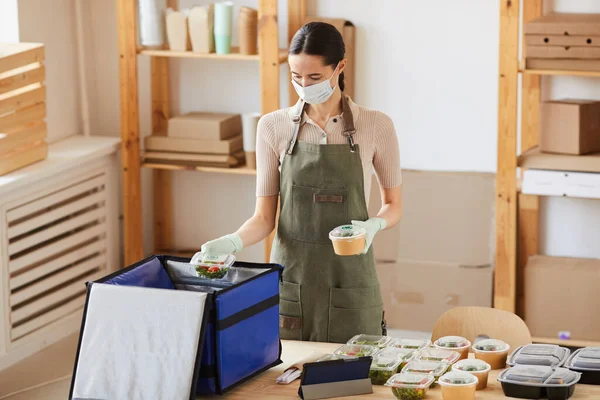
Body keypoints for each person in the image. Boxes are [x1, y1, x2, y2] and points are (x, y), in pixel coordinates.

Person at [194, 22, 402, 343]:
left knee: (354, 380)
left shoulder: (375, 126)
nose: (304, 84)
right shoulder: (273, 127)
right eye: (295, 76)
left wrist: (374, 224)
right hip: (292, 279)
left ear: (340, 67)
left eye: (315, 77)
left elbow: (394, 206)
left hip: (350, 277)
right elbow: (264, 219)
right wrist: (232, 242)